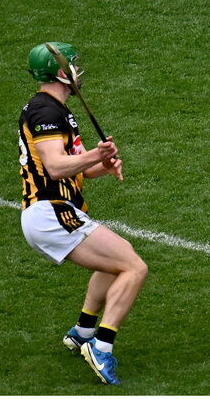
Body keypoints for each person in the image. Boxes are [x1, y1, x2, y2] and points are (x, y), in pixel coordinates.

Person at [18, 42, 147, 385]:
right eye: (73, 64)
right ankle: (101, 347)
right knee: (134, 267)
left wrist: (100, 164)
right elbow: (57, 167)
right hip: (50, 212)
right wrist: (95, 155)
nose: (78, 69)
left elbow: (79, 170)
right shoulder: (45, 112)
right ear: (60, 71)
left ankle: (83, 331)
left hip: (56, 211)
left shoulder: (57, 110)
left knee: (118, 260)